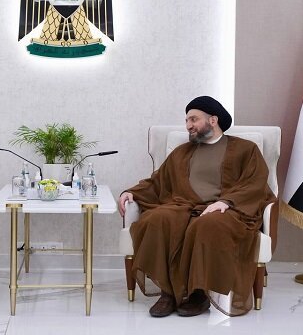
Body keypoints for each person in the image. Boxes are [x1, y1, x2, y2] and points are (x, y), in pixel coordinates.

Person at [118, 96, 277, 317]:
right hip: (183, 206)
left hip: (229, 210)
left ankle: (198, 294)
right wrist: (132, 192)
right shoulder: (182, 152)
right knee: (156, 219)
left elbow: (255, 183)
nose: (188, 125)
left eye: (193, 119)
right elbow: (157, 181)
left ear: (213, 120)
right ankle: (168, 293)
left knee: (207, 224)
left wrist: (225, 202)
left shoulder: (245, 149)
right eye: (186, 121)